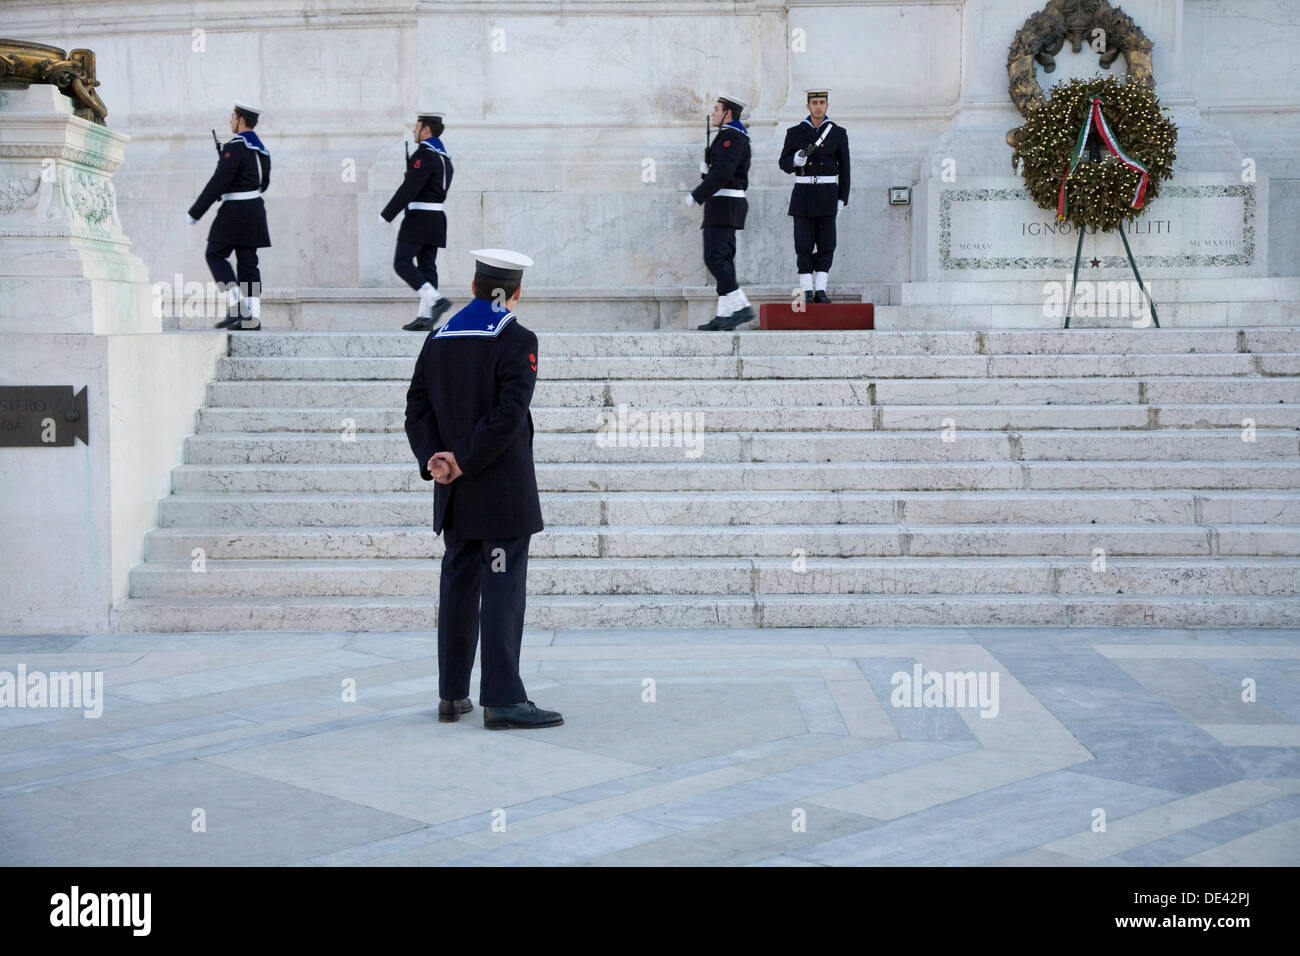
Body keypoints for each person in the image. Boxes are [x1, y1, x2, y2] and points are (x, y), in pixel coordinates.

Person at [403, 248, 562, 730]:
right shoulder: (517, 339)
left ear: (474, 287)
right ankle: (503, 699)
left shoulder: (438, 338)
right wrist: (463, 460)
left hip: (454, 493)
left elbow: (417, 409)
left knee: (457, 586)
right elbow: (508, 416)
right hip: (501, 492)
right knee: (501, 591)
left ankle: (451, 695)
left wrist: (437, 460)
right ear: (515, 292)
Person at [188, 100, 271, 330]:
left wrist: (196, 212)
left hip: (234, 211)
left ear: (240, 119)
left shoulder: (234, 147)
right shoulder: (262, 150)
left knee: (214, 253)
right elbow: (263, 183)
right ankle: (252, 316)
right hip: (255, 210)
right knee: (248, 262)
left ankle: (236, 305)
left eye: (232, 116)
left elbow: (219, 181)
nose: (230, 120)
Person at [687, 94, 756, 331]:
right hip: (724, 204)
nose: (713, 113)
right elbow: (723, 170)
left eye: (717, 109)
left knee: (713, 257)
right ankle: (725, 314)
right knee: (723, 258)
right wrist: (707, 170)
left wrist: (698, 193)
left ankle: (740, 305)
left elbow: (724, 173)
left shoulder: (731, 137)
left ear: (728, 113)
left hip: (724, 204)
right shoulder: (730, 136)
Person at [381, 110, 455, 331]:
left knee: (402, 262)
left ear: (427, 130)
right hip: (437, 219)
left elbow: (410, 188)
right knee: (427, 266)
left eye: (417, 126)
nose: (414, 130)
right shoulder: (444, 158)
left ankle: (436, 300)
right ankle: (425, 316)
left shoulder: (424, 155)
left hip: (419, 218)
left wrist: (387, 213)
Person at [779, 87, 850, 303]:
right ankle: (806, 290)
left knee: (827, 244)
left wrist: (841, 198)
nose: (818, 106)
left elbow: (845, 168)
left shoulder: (837, 133)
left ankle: (820, 289)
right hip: (803, 194)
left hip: (828, 194)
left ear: (827, 105)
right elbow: (783, 163)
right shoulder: (795, 132)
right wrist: (794, 161)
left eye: (821, 102)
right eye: (814, 103)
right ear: (808, 106)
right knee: (803, 243)